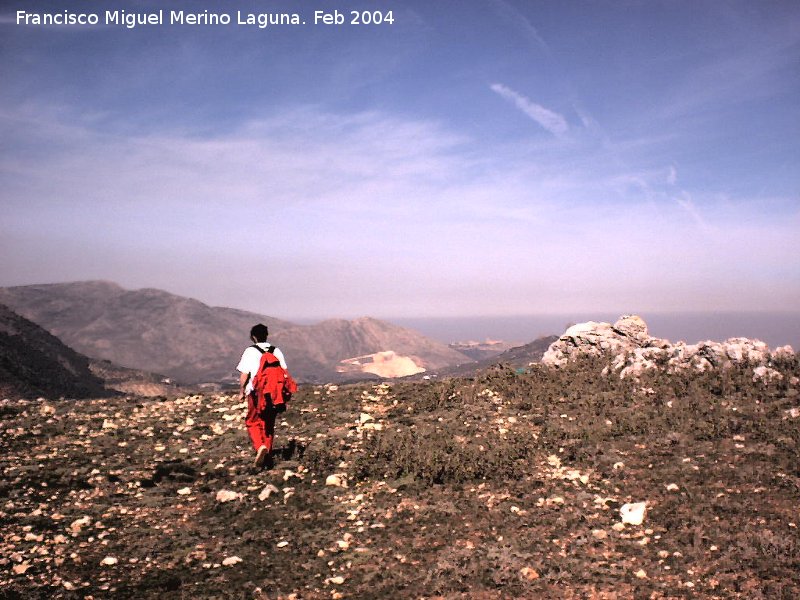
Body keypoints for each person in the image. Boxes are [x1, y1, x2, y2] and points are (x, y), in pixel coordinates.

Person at [236, 323, 288, 468]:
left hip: (256, 392)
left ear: (253, 337)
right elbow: (283, 372)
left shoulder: (250, 351)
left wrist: (241, 392)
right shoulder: (276, 351)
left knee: (252, 420)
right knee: (269, 423)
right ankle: (268, 455)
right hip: (274, 393)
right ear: (267, 335)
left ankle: (260, 447)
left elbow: (244, 374)